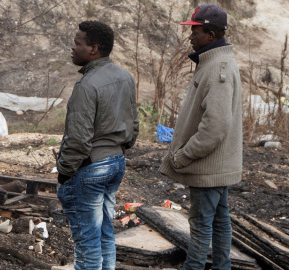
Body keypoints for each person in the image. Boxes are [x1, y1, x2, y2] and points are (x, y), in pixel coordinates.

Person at [159, 4, 242, 270]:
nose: (191, 36)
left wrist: (184, 155)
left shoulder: (219, 68)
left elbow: (215, 126)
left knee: (201, 225)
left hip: (208, 166)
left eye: (195, 31)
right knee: (218, 221)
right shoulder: (215, 63)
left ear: (212, 35)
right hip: (215, 166)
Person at [56, 20, 139, 270]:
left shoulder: (86, 85)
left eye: (78, 43)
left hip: (91, 167)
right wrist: (118, 151)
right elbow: (133, 124)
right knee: (105, 236)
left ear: (93, 49)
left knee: (87, 243)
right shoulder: (125, 77)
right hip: (115, 163)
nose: (72, 47)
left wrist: (64, 172)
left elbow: (78, 138)